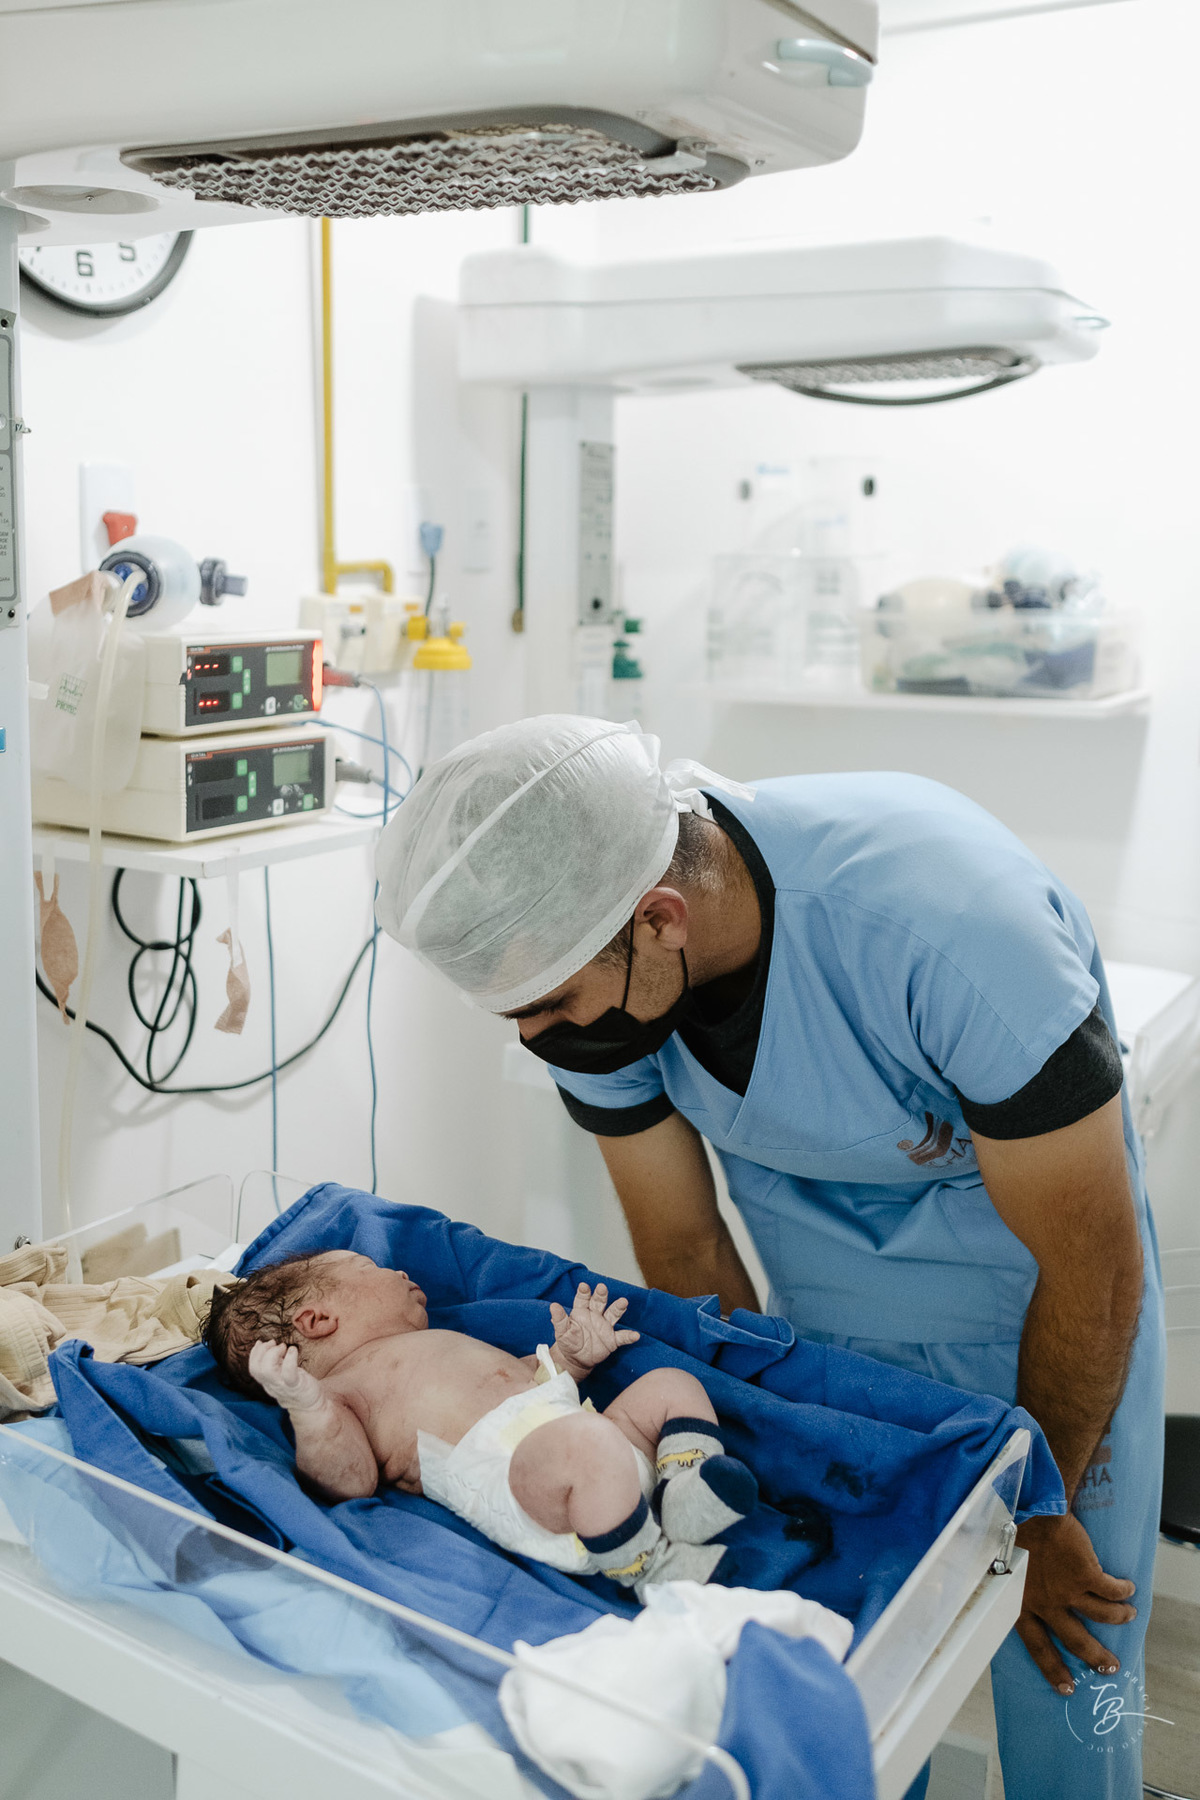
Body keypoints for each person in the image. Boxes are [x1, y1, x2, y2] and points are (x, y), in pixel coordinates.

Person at [374, 714, 1165, 1800]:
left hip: (1047, 1301)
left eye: (548, 1005)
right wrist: (750, 1436)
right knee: (851, 1665)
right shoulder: (602, 996)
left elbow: (1096, 1266)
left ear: (659, 920)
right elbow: (686, 1245)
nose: (535, 1039)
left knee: (1066, 1660)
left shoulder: (948, 926)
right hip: (827, 1322)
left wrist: (1038, 1509)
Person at [204, 1248, 758, 1595]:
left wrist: (571, 1359)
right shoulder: (340, 1393)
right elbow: (347, 1481)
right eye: (372, 1268)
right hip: (528, 1488)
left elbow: (521, 1381)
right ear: (318, 1320)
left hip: (581, 1444)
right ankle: (653, 1568)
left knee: (670, 1386)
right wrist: (307, 1406)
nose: (399, 1268)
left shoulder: (425, 1343)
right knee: (585, 1442)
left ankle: (687, 1492)